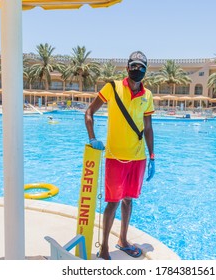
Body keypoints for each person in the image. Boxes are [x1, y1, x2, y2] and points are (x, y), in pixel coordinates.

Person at [85, 51, 155, 260]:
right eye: (133, 66)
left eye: (141, 67)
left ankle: (123, 240)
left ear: (145, 70)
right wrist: (92, 138)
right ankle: (104, 247)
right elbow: (89, 113)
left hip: (138, 158)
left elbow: (149, 128)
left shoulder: (148, 96)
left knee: (128, 200)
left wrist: (152, 156)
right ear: (127, 68)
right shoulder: (112, 87)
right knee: (113, 203)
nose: (137, 70)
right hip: (115, 157)